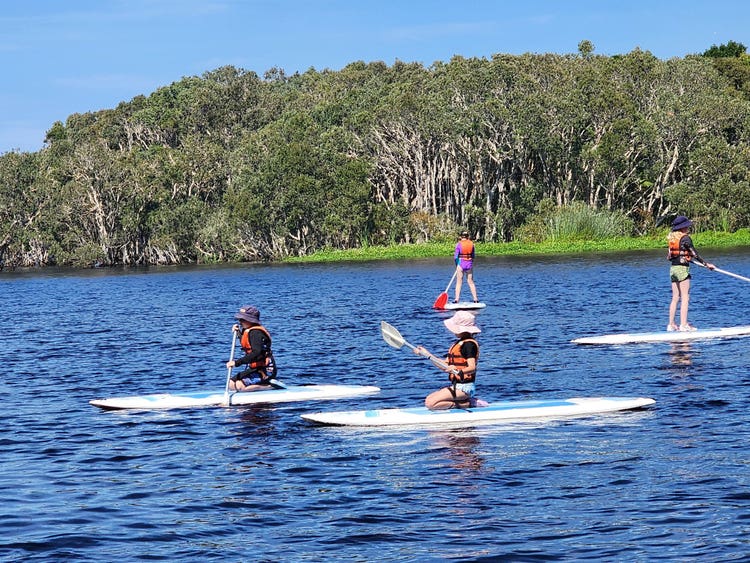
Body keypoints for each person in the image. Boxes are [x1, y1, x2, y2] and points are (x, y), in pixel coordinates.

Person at [414, 310, 486, 410]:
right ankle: (462, 401)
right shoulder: (458, 344)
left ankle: (469, 403)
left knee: (430, 404)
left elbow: (472, 367)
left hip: (465, 388)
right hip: (457, 385)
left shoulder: (469, 345)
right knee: (429, 399)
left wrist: (456, 370)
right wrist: (426, 354)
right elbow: (444, 365)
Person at [667, 216, 715, 332]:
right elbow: (694, 253)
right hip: (682, 269)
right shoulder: (685, 238)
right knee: (685, 297)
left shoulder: (672, 239)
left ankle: (671, 324)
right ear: (683, 227)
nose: (688, 227)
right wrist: (706, 264)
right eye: (687, 225)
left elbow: (669, 256)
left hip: (673, 269)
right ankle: (683, 325)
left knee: (675, 298)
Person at [226, 305, 278, 391]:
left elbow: (257, 353)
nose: (240, 321)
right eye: (239, 319)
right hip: (254, 368)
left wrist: (236, 363)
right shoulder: (249, 331)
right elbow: (247, 342)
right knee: (231, 384)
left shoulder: (256, 333)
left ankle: (270, 387)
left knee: (240, 385)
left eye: (242, 319)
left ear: (250, 320)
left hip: (265, 370)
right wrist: (238, 332)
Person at [453, 230, 479, 303]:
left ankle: (456, 299)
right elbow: (473, 256)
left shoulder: (458, 244)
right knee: (470, 282)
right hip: (469, 264)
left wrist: (457, 265)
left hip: (461, 263)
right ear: (468, 236)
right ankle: (475, 299)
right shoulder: (472, 244)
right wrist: (471, 262)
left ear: (461, 237)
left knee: (459, 282)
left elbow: (455, 257)